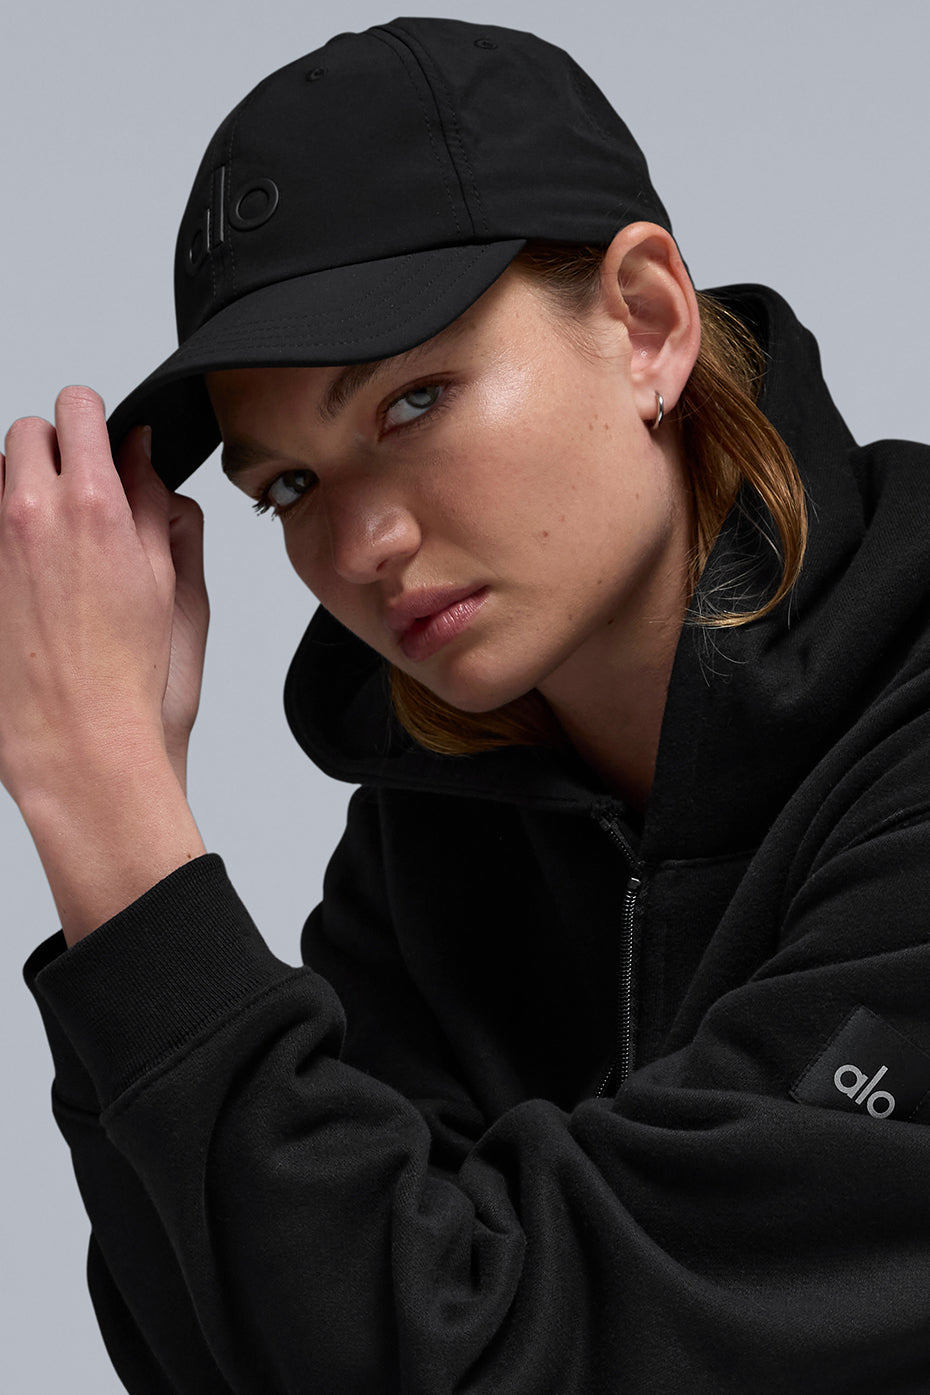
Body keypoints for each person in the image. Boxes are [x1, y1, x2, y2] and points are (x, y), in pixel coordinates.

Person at [7, 14, 930, 1393]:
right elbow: (229, 1353)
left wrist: (109, 806)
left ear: (645, 323)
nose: (360, 545)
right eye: (289, 487)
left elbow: (512, 1358)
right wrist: (111, 842)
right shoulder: (435, 833)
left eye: (412, 401)